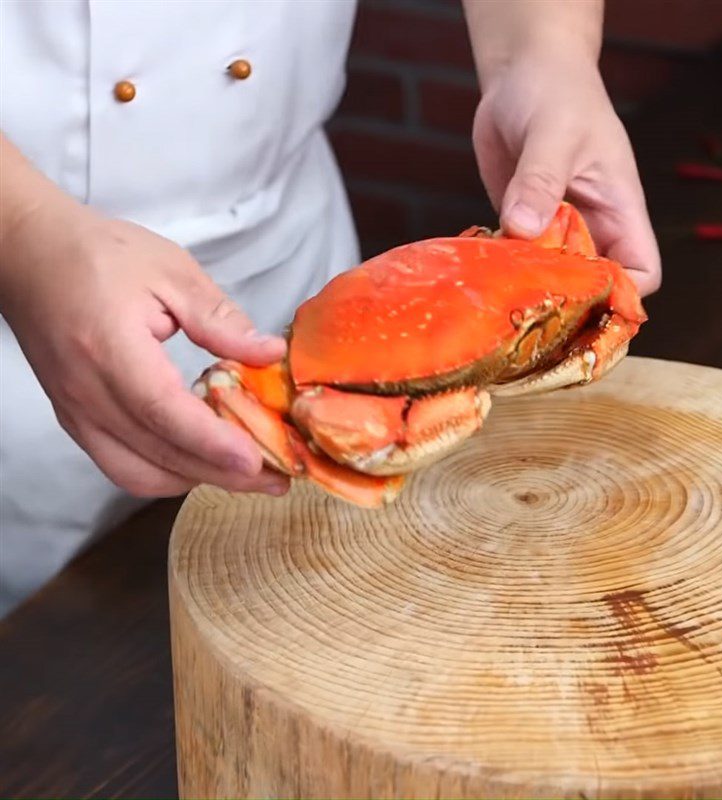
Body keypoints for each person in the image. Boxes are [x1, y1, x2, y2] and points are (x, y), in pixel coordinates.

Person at [0, 0, 660, 617]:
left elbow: (602, 281)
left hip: (290, 251)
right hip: (25, 326)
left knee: (338, 606)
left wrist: (545, 53)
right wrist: (21, 230)